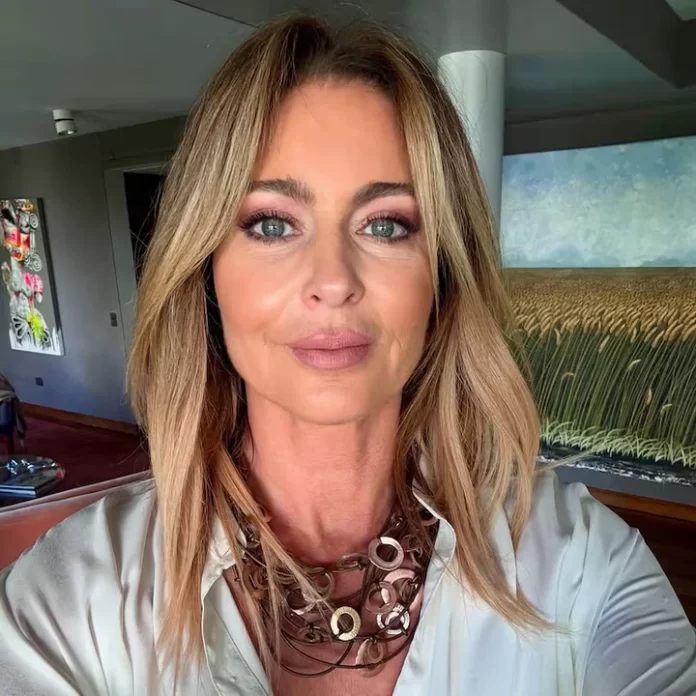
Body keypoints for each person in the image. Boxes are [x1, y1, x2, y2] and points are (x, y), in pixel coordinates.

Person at [0, 15, 694, 696]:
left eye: (385, 224)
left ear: (442, 274)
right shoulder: (71, 601)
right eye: (273, 224)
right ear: (207, 270)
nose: (332, 280)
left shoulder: (579, 564)